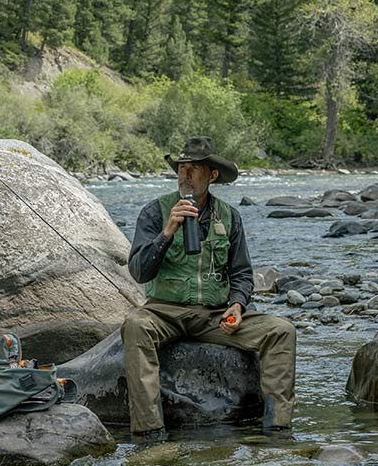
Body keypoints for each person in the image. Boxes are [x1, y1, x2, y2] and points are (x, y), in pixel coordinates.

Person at [122, 136, 296, 441]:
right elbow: (138, 270)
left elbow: (242, 274)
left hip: (214, 316)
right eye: (181, 168)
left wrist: (237, 306)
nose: (185, 176)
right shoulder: (155, 212)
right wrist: (167, 232)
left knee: (282, 331)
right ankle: (149, 435)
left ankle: (277, 432)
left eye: (193, 169)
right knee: (135, 326)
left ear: (212, 175)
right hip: (165, 313)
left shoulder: (230, 217)